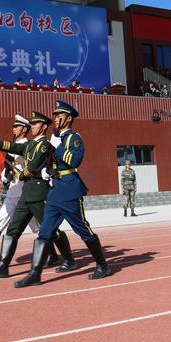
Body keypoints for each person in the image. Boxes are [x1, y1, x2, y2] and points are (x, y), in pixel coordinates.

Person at [14, 101, 111, 287]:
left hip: (69, 189)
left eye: (59, 115)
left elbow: (74, 160)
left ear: (69, 118)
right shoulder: (55, 138)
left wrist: (56, 147)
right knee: (44, 232)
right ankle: (35, 274)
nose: (56, 118)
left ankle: (102, 265)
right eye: (55, 115)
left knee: (83, 230)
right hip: (55, 190)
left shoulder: (73, 138)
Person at [0, 114, 67, 275]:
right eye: (31, 124)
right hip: (23, 192)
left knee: (46, 228)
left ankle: (67, 258)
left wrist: (24, 173)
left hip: (31, 191)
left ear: (42, 127)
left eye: (34, 124)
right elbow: (10, 148)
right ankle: (2, 265)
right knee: (20, 229)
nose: (13, 129)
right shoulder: (27, 145)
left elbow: (32, 166)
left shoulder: (39, 145)